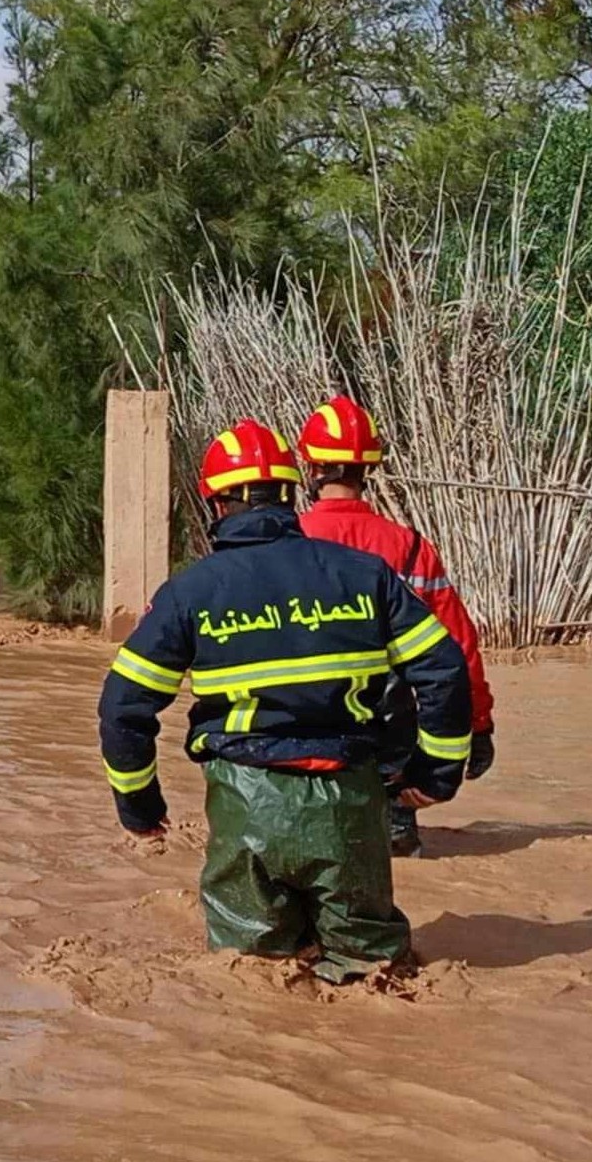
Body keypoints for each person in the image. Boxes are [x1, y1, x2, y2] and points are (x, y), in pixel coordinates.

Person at [98, 419, 472, 984]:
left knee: (249, 975)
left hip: (247, 801)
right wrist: (435, 774)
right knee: (374, 969)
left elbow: (124, 708)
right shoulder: (364, 576)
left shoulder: (191, 593)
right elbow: (445, 671)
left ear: (217, 504)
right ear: (290, 495)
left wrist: (141, 809)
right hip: (350, 801)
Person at [295, 396, 498, 858]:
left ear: (312, 468)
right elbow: (457, 647)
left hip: (302, 731)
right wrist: (478, 724)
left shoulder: (284, 543)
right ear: (368, 469)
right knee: (394, 860)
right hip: (389, 733)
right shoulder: (409, 548)